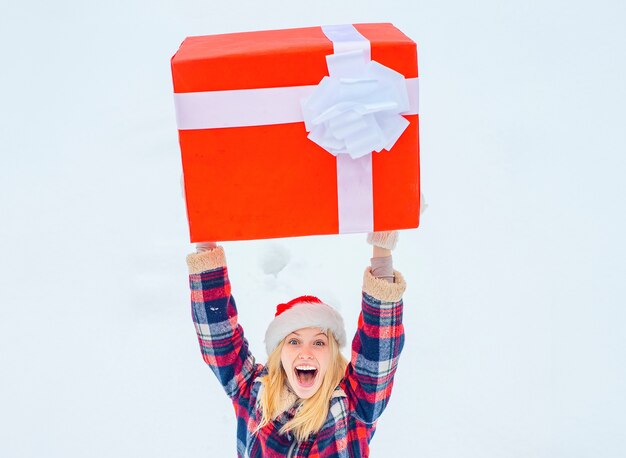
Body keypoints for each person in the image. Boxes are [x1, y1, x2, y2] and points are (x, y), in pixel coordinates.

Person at [186, 231, 406, 457]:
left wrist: (382, 251)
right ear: (280, 354)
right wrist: (206, 230)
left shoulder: (354, 406)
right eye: (294, 341)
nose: (306, 352)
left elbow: (379, 346)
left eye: (319, 343)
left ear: (332, 356)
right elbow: (218, 335)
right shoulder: (253, 394)